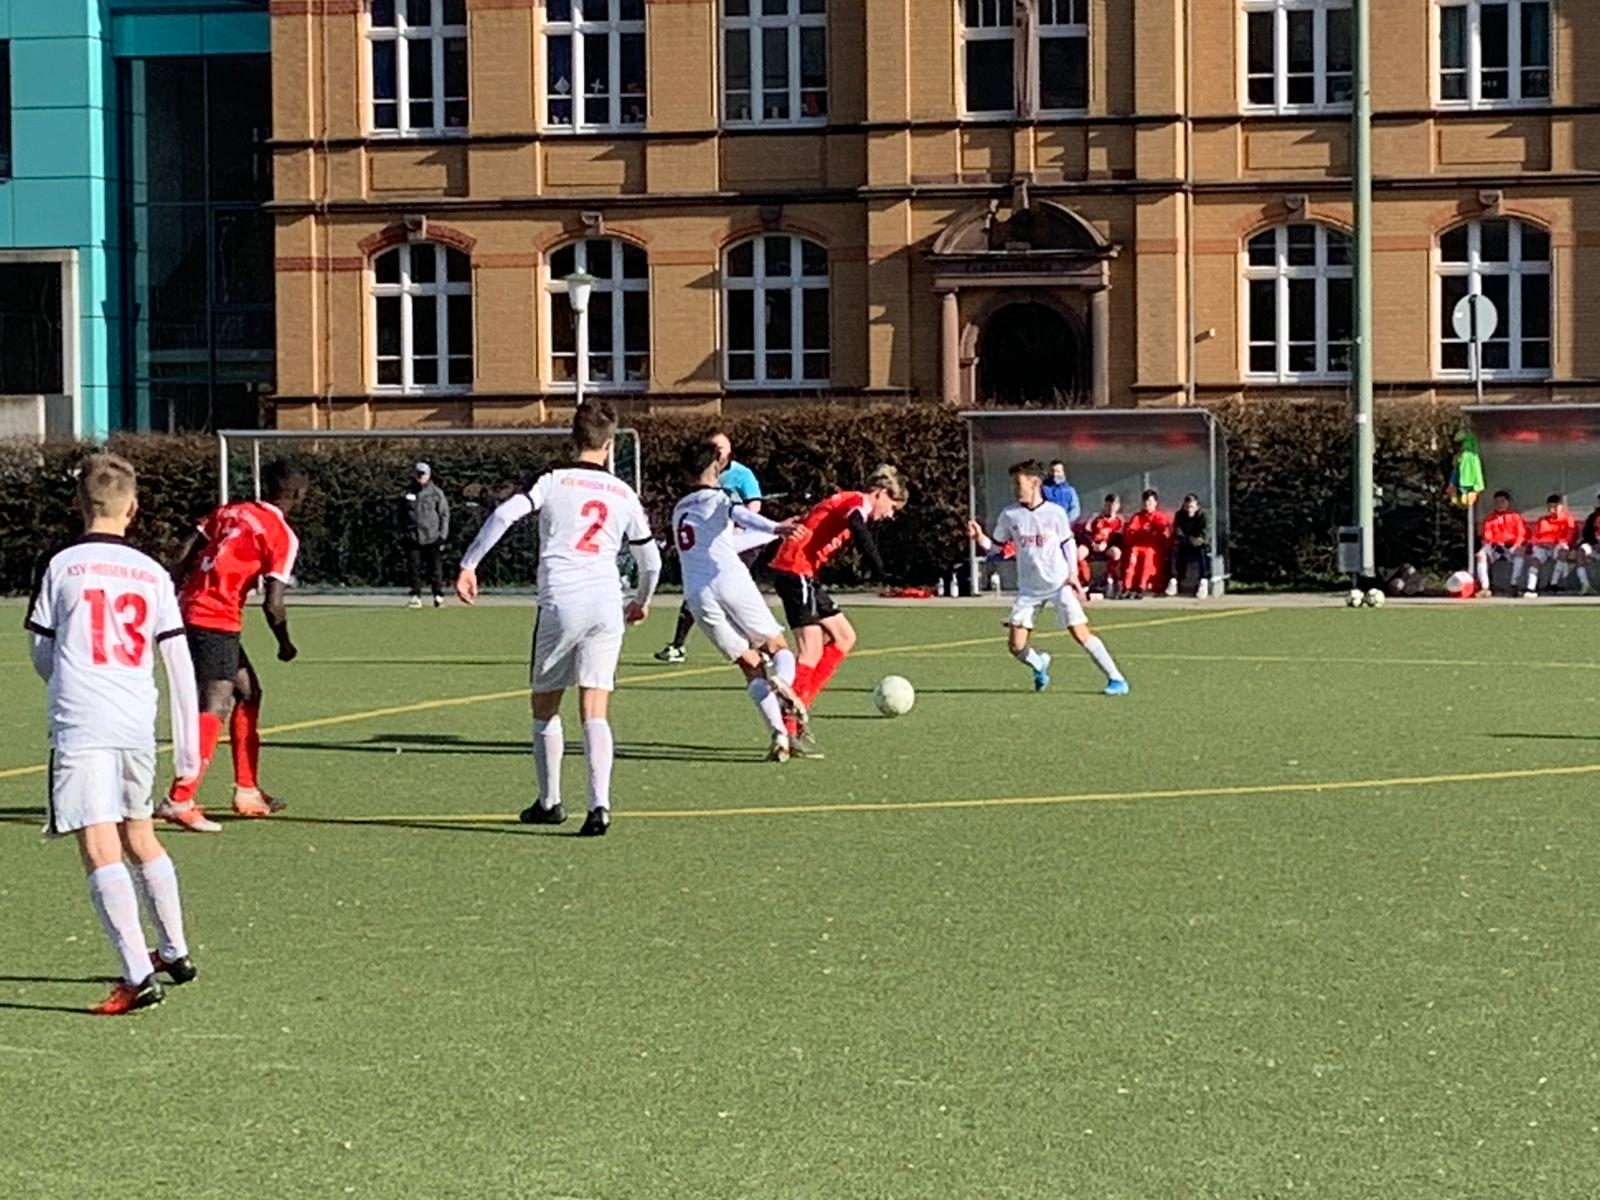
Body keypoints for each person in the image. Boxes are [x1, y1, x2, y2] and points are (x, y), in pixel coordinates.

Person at [26, 454, 202, 1014]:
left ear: (80, 505)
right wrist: (189, 751)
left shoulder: (61, 563)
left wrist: (70, 678)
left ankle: (136, 976)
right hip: (135, 719)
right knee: (139, 832)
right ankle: (174, 951)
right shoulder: (152, 572)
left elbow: (41, 649)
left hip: (83, 720)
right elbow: (177, 659)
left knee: (99, 844)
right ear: (133, 507)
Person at [456, 403, 662, 837]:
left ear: (573, 438)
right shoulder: (623, 492)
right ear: (610, 445)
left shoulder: (552, 479)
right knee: (595, 707)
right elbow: (652, 562)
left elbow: (504, 514)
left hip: (562, 602)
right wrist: (641, 601)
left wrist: (470, 563)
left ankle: (550, 802)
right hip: (607, 602)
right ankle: (600, 805)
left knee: (545, 705)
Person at [158, 460, 306, 832]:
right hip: (216, 618)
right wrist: (285, 643)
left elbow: (185, 552)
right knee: (217, 701)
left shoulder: (230, 511)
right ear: (298, 493)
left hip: (188, 611)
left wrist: (169, 598)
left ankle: (248, 790)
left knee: (249, 692)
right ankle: (180, 798)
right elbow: (273, 604)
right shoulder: (282, 534)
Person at [671, 436, 814, 761]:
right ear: (716, 467)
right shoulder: (718, 498)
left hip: (697, 595)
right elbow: (740, 514)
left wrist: (767, 534)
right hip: (729, 580)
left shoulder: (679, 509)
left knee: (750, 665)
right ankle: (782, 681)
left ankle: (779, 736)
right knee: (777, 647)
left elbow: (724, 542)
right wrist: (776, 528)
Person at [966, 460, 1128, 696]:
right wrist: (980, 538)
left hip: (1059, 584)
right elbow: (997, 548)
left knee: (1080, 633)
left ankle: (1117, 679)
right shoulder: (1010, 514)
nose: (1014, 488)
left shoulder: (1055, 513)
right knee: (1016, 646)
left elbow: (1068, 543)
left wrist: (1072, 574)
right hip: (1029, 590)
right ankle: (1039, 664)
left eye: (1018, 483)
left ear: (1035, 484)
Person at [767, 466, 908, 720]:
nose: (890, 515)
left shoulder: (851, 503)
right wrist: (879, 567)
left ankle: (801, 703)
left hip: (805, 574)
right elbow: (857, 523)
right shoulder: (857, 501)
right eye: (892, 507)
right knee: (811, 650)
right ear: (880, 493)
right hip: (794, 569)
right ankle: (788, 721)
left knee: (844, 637)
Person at [656, 431, 763, 664]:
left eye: (721, 448)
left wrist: (739, 528)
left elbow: (753, 506)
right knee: (699, 590)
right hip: (708, 546)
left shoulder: (742, 474)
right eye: (713, 448)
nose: (718, 453)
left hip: (737, 545)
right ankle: (678, 645)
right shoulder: (699, 481)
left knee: (732, 593)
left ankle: (759, 645)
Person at [400, 462, 450, 609]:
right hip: (413, 537)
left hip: (432, 537)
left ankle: (438, 595)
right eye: (418, 474)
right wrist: (402, 533)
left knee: (435, 569)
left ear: (428, 475)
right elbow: (400, 514)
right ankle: (416, 596)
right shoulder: (407, 493)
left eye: (423, 474)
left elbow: (444, 515)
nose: (420, 477)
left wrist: (443, 536)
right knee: (414, 569)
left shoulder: (436, 493)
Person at [1475, 490, 1529, 597]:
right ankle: (1485, 588)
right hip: (1495, 546)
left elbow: (1521, 534)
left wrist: (1516, 545)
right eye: (1497, 502)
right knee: (1480, 555)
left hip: (1511, 546)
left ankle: (1514, 585)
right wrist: (1495, 543)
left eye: (1503, 501)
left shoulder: (1515, 517)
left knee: (1520, 552)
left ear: (1508, 502)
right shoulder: (1489, 519)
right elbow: (1487, 536)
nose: (1500, 504)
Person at [1121, 489, 1174, 597]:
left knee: (1148, 556)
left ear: (1155, 503)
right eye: (1145, 501)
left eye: (1150, 501)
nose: (1147, 504)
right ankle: (1127, 586)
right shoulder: (1138, 516)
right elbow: (1130, 530)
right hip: (1138, 546)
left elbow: (1165, 531)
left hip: (1153, 546)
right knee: (1132, 556)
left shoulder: (1159, 517)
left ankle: (1143, 586)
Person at [1525, 493, 1578, 597]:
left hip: (1558, 545)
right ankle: (1531, 588)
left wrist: (1554, 543)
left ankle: (1553, 583)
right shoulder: (1542, 520)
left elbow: (1569, 537)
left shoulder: (1567, 519)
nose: (1552, 509)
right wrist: (1542, 543)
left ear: (1561, 506)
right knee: (1534, 560)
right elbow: (1535, 537)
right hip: (1543, 546)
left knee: (1563, 551)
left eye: (1555, 507)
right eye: (1550, 507)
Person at [1167, 493, 1213, 599]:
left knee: (1204, 551)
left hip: (1199, 545)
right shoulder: (1179, 515)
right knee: (1174, 550)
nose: (1189, 510)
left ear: (1197, 507)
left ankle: (1203, 582)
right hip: (1185, 544)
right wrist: (1187, 540)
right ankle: (1173, 580)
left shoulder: (1204, 516)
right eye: (1187, 507)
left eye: (1191, 507)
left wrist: (1196, 541)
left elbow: (1206, 534)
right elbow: (1178, 531)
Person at [1078, 493, 1124, 597]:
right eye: (1108, 505)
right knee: (1079, 553)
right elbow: (1086, 533)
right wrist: (1092, 544)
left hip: (1107, 548)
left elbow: (1118, 537)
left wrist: (1106, 544)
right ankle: (1085, 581)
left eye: (1113, 505)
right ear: (1104, 505)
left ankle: (1110, 579)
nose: (1110, 508)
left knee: (1116, 553)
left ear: (1118, 506)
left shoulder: (1119, 520)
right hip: (1092, 546)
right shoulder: (1095, 517)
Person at [1042, 460, 1081, 525]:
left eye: (1058, 471)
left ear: (1063, 473)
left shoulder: (1070, 490)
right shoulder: (1043, 489)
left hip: (1064, 526)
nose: (1055, 474)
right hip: (1046, 526)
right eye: (1052, 471)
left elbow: (1075, 509)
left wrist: (1064, 521)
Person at [1576, 494, 1600, 595]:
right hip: (1593, 546)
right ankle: (1585, 584)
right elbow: (1586, 533)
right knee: (1581, 551)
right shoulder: (1592, 517)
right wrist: (1594, 543)